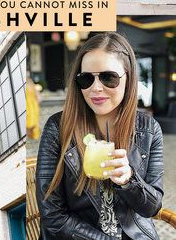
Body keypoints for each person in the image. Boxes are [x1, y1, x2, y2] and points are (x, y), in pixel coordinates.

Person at [36, 32, 164, 240]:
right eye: (86, 78)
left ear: (128, 78)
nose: (95, 88)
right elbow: (52, 215)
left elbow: (152, 207)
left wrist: (129, 180)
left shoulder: (149, 129)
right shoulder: (58, 127)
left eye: (108, 77)